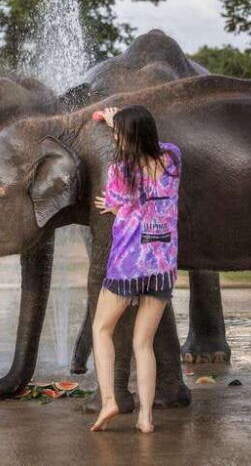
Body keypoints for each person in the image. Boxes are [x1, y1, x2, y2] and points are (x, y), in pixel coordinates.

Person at [90, 105, 181, 433]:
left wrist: (115, 207)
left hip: (127, 267)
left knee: (102, 329)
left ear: (130, 137)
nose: (116, 139)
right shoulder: (172, 160)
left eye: (119, 135)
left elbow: (118, 204)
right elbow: (141, 205)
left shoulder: (119, 172)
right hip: (162, 266)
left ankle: (109, 400)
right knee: (143, 344)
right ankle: (145, 418)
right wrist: (120, 122)